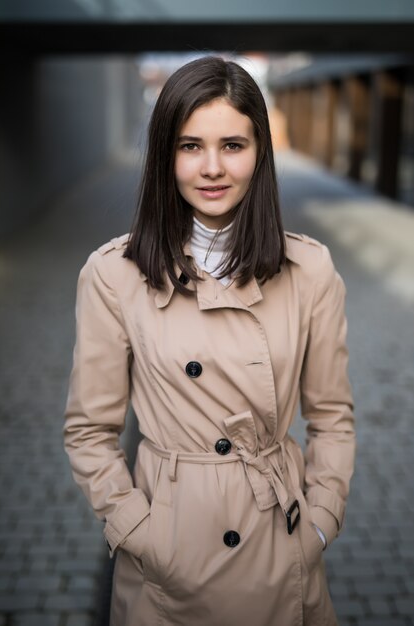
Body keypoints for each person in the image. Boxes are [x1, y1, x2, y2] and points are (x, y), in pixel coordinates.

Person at [64, 56, 355, 626]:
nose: (213, 167)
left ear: (260, 153)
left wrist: (321, 521)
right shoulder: (114, 274)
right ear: (164, 155)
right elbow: (89, 431)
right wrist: (139, 532)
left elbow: (332, 417)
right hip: (168, 561)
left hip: (279, 543)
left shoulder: (310, 269)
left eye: (233, 145)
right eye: (190, 145)